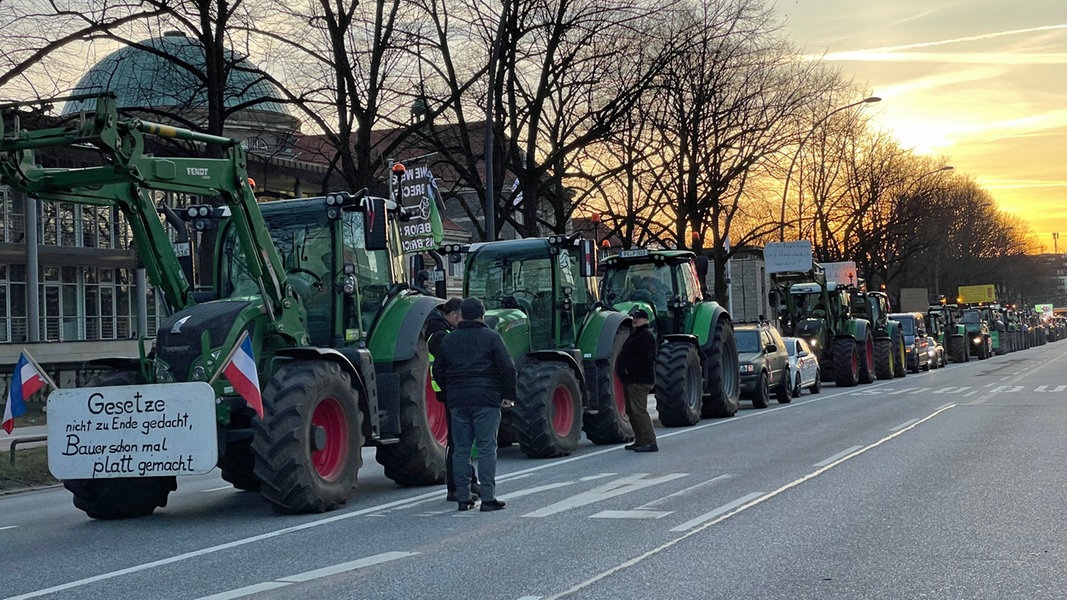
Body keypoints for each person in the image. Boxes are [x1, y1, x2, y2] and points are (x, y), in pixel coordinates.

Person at [436, 297, 517, 511]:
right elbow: (507, 368)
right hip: (486, 400)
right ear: (482, 316)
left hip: (458, 401)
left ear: (462, 315)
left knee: (460, 450)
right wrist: (508, 395)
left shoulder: (449, 339)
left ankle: (463, 498)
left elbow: (438, 370)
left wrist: (449, 392)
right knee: (486, 448)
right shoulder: (491, 337)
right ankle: (488, 498)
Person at [427, 297, 481, 502]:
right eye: (461, 317)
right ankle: (456, 487)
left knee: (463, 440)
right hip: (451, 393)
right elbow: (446, 363)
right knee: (457, 442)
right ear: (452, 315)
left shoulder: (443, 331)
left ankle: (469, 480)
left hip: (453, 391)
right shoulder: (440, 334)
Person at [616, 307, 658, 452]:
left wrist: (628, 369)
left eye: (638, 318)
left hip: (640, 380)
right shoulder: (636, 334)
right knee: (631, 411)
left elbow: (645, 358)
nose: (634, 320)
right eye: (633, 317)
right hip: (631, 379)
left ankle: (649, 442)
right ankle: (640, 440)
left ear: (645, 320)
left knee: (638, 411)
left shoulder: (646, 335)